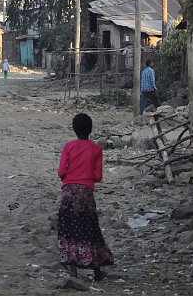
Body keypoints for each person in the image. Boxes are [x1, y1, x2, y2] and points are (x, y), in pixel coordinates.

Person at [57, 113, 113, 280]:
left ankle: (73, 270)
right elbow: (98, 177)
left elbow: (61, 171)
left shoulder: (68, 146)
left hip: (68, 193)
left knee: (70, 230)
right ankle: (96, 270)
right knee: (90, 230)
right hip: (86, 194)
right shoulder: (96, 149)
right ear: (90, 129)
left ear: (74, 129)